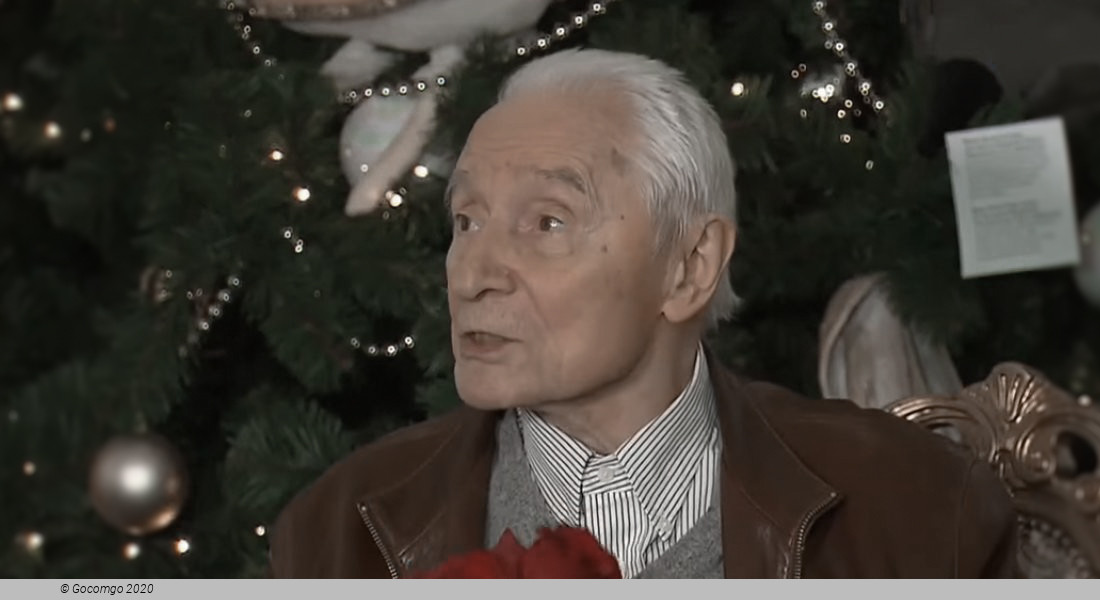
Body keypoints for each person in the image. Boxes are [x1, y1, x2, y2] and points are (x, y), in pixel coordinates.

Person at [267, 48, 1018, 579]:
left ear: (689, 266)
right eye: (467, 221)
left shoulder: (921, 507)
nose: (472, 274)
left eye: (547, 222)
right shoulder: (334, 535)